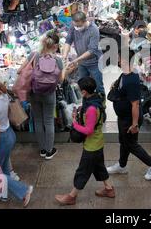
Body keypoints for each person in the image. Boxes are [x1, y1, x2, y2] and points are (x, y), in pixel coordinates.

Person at [55, 77, 114, 206]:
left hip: (92, 145)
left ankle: (71, 196)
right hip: (97, 143)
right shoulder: (95, 99)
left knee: (83, 171)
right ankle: (109, 189)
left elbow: (88, 130)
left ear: (84, 92)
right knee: (99, 167)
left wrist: (75, 123)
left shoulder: (92, 109)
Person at [106, 50, 151, 181]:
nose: (118, 61)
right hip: (123, 117)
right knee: (124, 142)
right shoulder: (126, 74)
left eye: (120, 58)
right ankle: (121, 165)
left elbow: (135, 104)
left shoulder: (131, 79)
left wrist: (134, 124)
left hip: (129, 119)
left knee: (131, 144)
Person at [0, 73, 33, 207]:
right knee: (3, 169)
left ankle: (24, 190)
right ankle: (3, 195)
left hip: (2, 138)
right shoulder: (3, 96)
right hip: (9, 135)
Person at [18, 31, 67, 160]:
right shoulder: (58, 60)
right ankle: (50, 151)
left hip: (34, 93)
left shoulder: (34, 55)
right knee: (49, 120)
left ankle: (43, 149)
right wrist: (65, 69)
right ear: (55, 46)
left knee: (38, 120)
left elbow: (19, 71)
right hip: (50, 94)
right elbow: (61, 80)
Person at [62, 8, 105, 95]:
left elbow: (92, 50)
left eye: (79, 26)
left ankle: (101, 105)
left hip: (95, 62)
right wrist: (64, 55)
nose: (77, 28)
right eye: (75, 26)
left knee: (98, 85)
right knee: (82, 85)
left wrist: (76, 60)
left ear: (85, 21)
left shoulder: (94, 30)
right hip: (82, 62)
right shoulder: (73, 27)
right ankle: (86, 103)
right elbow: (68, 40)